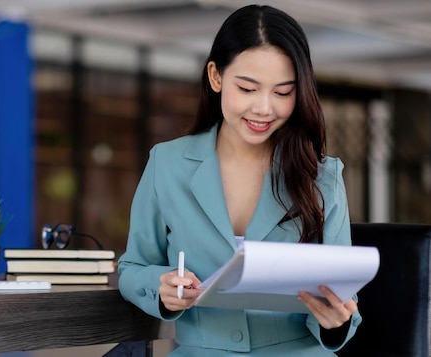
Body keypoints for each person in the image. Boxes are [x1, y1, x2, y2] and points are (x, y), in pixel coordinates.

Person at [118, 4, 361, 356]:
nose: (264, 108)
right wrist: (160, 288)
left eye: (282, 92)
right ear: (215, 77)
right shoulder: (167, 164)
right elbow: (133, 266)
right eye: (247, 88)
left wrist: (337, 321)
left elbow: (343, 294)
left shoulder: (322, 175)